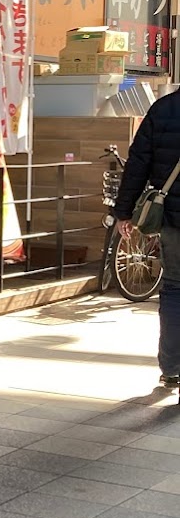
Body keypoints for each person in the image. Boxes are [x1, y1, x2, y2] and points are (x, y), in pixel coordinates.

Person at [112, 87, 180, 386]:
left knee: (176, 288)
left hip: (173, 217)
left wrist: (123, 211)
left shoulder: (163, 109)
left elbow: (138, 162)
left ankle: (172, 367)